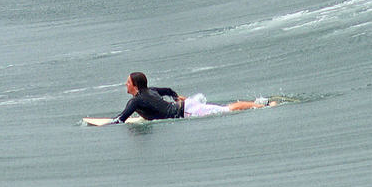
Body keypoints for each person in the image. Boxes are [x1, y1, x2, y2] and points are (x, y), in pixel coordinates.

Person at [111, 72, 276, 123]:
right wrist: (176, 97)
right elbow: (168, 90)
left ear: (135, 85)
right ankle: (259, 104)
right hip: (186, 106)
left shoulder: (136, 100)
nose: (125, 84)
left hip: (187, 112)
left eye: (127, 82)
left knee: (228, 109)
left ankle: (264, 106)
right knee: (226, 108)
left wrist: (110, 123)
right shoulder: (150, 90)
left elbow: (121, 119)